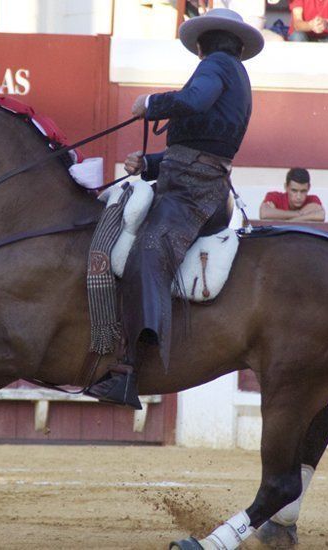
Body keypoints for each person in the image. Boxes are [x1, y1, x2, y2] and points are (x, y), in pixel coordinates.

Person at [85, 8, 263, 409]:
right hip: (196, 180)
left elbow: (194, 103)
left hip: (192, 190)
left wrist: (151, 102)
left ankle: (129, 371)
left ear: (203, 43)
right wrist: (148, 165)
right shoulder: (234, 72)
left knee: (148, 253)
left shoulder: (216, 65)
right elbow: (203, 145)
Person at [259, 168, 326, 222]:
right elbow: (264, 213)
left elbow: (321, 216)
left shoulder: (313, 199)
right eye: (294, 191)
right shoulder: (274, 196)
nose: (298, 196)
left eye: (303, 191)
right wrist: (299, 213)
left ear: (309, 188)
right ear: (286, 187)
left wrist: (287, 221)